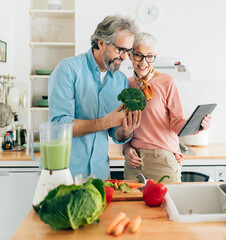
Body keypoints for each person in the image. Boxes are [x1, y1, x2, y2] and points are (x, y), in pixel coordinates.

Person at [48, 15, 141, 180]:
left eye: (128, 51)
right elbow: (59, 125)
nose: (125, 57)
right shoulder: (68, 69)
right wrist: (106, 122)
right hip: (65, 172)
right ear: (101, 43)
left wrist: (125, 131)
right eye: (120, 49)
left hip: (100, 174)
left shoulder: (120, 80)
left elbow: (115, 133)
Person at [123, 32, 212, 183]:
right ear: (131, 55)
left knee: (167, 206)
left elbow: (177, 123)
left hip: (163, 161)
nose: (144, 61)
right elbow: (123, 124)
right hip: (134, 163)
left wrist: (198, 126)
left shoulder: (168, 82)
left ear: (155, 56)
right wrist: (126, 148)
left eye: (150, 56)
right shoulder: (126, 84)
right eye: (139, 55)